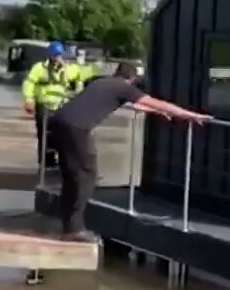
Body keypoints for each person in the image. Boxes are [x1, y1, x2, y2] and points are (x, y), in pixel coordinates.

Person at [47, 62, 210, 242]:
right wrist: (190, 115)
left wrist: (156, 112)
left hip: (59, 122)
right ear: (132, 79)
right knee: (87, 175)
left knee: (72, 176)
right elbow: (157, 102)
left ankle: (69, 227)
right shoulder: (124, 88)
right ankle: (74, 230)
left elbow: (136, 106)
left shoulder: (104, 83)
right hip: (76, 128)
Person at [21, 41, 85, 168]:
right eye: (55, 56)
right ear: (49, 56)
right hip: (44, 105)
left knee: (63, 135)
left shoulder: (70, 69)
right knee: (44, 135)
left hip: (62, 105)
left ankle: (63, 161)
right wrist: (29, 98)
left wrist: (78, 93)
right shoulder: (39, 68)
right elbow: (29, 83)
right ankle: (46, 162)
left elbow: (79, 78)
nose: (58, 59)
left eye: (60, 56)